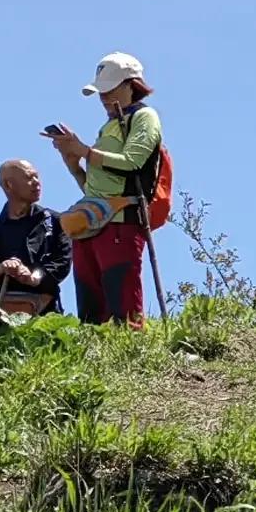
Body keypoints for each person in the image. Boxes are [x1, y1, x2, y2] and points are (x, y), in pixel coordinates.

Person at [45, 51, 164, 323]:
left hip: (123, 220)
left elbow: (132, 162)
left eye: (109, 90)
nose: (104, 98)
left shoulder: (145, 117)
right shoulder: (109, 126)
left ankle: (133, 353)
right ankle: (95, 355)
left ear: (131, 85)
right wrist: (72, 160)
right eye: (100, 92)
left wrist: (85, 151)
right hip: (95, 220)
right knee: (90, 307)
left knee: (123, 300)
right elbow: (94, 188)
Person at [0, 158, 68, 331]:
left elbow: (62, 262)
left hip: (44, 315)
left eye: (37, 177)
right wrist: (2, 268)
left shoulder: (55, 222)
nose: (37, 183)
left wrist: (32, 277)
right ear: (9, 185)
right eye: (30, 178)